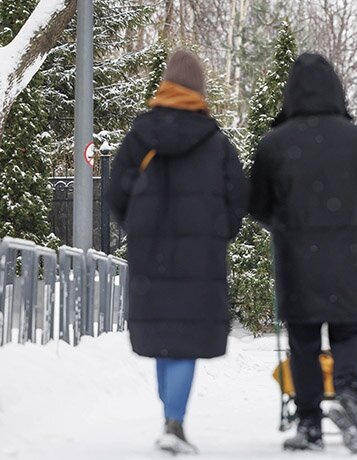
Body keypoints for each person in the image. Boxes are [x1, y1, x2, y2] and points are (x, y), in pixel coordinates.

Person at [249, 52, 357, 455]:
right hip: (346, 256)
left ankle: (310, 422)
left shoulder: (276, 143)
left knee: (304, 338)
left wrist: (285, 221)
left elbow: (256, 203)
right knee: (349, 330)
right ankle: (348, 394)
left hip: (296, 258)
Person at [107, 50, 248, 455]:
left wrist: (137, 226)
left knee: (163, 335)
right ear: (199, 89)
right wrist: (220, 232)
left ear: (165, 85)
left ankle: (170, 417)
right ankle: (175, 420)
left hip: (151, 255)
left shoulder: (139, 136)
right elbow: (238, 198)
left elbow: (116, 192)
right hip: (199, 258)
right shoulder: (216, 142)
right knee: (184, 336)